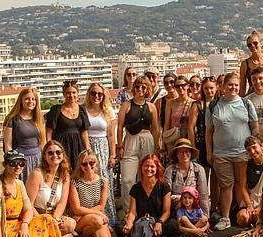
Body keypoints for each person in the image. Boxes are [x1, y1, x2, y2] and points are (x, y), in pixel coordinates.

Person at [206, 72, 258, 231]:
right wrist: (209, 152)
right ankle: (226, 217)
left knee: (242, 185)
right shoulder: (214, 105)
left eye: (236, 85)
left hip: (243, 152)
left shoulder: (246, 103)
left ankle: (243, 215)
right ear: (223, 86)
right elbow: (209, 131)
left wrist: (256, 148)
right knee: (226, 186)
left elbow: (254, 127)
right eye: (230, 84)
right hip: (222, 153)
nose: (233, 87)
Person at [117, 76, 161, 218]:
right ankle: (128, 211)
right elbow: (119, 127)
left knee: (146, 175)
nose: (140, 90)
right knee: (127, 179)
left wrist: (157, 146)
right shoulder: (126, 105)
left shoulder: (151, 107)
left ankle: (145, 209)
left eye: (143, 87)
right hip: (131, 139)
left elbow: (155, 128)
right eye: (138, 87)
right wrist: (120, 146)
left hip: (147, 138)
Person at [26, 140, 75, 237]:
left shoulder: (65, 174)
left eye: (58, 152)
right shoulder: (37, 174)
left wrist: (54, 220)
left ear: (62, 154)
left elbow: (62, 202)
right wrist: (43, 221)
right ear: (44, 156)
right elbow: (29, 204)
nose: (55, 155)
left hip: (53, 215)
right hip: (37, 215)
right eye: (50, 153)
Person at [124, 154, 179, 237]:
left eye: (152, 166)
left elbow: (166, 212)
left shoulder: (164, 186)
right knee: (119, 227)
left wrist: (159, 223)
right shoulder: (135, 188)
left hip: (159, 222)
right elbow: (132, 212)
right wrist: (129, 223)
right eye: (146, 166)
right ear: (141, 167)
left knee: (173, 225)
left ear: (157, 168)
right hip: (142, 222)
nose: (149, 169)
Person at [84, 82, 117, 226]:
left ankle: (108, 217)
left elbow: (111, 135)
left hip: (103, 147)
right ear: (89, 95)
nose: (96, 96)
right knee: (90, 180)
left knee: (104, 180)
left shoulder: (108, 111)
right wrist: (87, 150)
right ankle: (91, 217)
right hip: (88, 147)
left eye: (100, 94)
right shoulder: (83, 110)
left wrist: (112, 155)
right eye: (93, 93)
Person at [67, 149, 113, 237]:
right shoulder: (75, 182)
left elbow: (101, 206)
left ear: (96, 164)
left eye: (91, 163)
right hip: (78, 219)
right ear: (80, 165)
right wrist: (99, 214)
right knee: (97, 220)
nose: (88, 166)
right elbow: (76, 209)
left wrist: (94, 213)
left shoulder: (103, 182)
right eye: (84, 164)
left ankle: (89, 234)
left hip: (92, 215)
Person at [45, 80, 91, 170]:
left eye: (74, 92)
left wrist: (87, 150)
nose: (71, 95)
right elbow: (48, 132)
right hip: (62, 147)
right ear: (64, 94)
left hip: (78, 146)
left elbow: (84, 132)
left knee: (78, 172)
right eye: (68, 93)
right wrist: (50, 149)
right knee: (63, 172)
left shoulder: (82, 109)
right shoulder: (56, 110)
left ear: (78, 93)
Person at [2, 87, 45, 182]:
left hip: (38, 159)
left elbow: (42, 142)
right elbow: (8, 145)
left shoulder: (38, 119)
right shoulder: (12, 119)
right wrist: (13, 165)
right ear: (21, 100)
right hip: (21, 161)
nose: (30, 101)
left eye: (33, 99)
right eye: (27, 99)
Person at [164, 138, 210, 217]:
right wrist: (182, 200)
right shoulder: (170, 170)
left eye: (187, 151)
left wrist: (205, 216)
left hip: (194, 211)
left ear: (191, 153)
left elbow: (203, 195)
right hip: (175, 210)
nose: (184, 154)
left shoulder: (198, 169)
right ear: (176, 154)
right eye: (181, 152)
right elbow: (166, 195)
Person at [235, 136, 263, 228]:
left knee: (258, 216)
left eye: (254, 147)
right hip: (250, 200)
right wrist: (249, 205)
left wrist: (261, 206)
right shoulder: (245, 166)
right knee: (243, 218)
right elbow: (242, 187)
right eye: (249, 150)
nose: (252, 152)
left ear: (262, 146)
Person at [162, 75, 197, 158]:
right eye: (177, 86)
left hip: (187, 138)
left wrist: (193, 145)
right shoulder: (170, 103)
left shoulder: (194, 103)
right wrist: (163, 144)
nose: (180, 88)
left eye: (183, 85)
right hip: (173, 138)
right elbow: (166, 124)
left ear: (188, 86)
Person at [193, 76, 218, 175]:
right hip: (202, 144)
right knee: (203, 174)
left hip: (217, 143)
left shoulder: (220, 103)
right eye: (206, 88)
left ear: (216, 88)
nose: (209, 91)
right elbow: (191, 128)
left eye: (211, 88)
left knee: (217, 176)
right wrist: (193, 147)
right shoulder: (198, 105)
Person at [243, 67, 263, 143]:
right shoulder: (246, 101)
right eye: (254, 79)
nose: (257, 81)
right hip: (253, 142)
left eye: (261, 78)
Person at [239, 30, 263, 97]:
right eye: (249, 45)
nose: (252, 46)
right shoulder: (245, 64)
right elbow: (242, 87)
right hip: (251, 97)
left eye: (255, 43)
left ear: (261, 43)